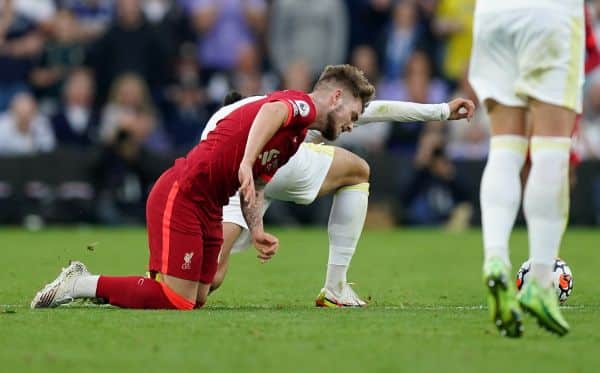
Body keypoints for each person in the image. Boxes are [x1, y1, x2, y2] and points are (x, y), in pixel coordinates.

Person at [30, 64, 376, 310]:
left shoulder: (295, 137)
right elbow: (272, 111)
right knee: (177, 300)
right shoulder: (299, 105)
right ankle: (78, 283)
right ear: (336, 97)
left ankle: (123, 288)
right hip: (181, 194)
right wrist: (246, 158)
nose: (351, 125)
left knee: (200, 294)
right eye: (354, 114)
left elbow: (255, 184)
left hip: (208, 206)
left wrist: (256, 230)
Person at [209, 95, 475, 307]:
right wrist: (441, 111)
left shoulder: (220, 123)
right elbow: (374, 110)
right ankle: (335, 288)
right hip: (264, 166)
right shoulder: (294, 106)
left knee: (210, 277)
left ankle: (170, 273)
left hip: (231, 170)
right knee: (358, 171)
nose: (349, 124)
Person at [468, 0, 585, 337]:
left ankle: (495, 258)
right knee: (551, 151)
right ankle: (541, 281)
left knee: (505, 147)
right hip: (549, 13)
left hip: (492, 14)